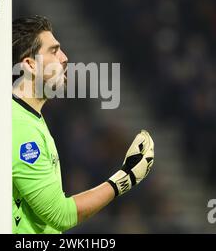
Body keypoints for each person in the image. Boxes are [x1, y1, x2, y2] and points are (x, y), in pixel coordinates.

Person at [11, 15, 155, 234]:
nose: (64, 57)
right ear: (30, 65)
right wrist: (124, 179)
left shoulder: (27, 118)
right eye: (53, 51)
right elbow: (61, 215)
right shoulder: (20, 127)